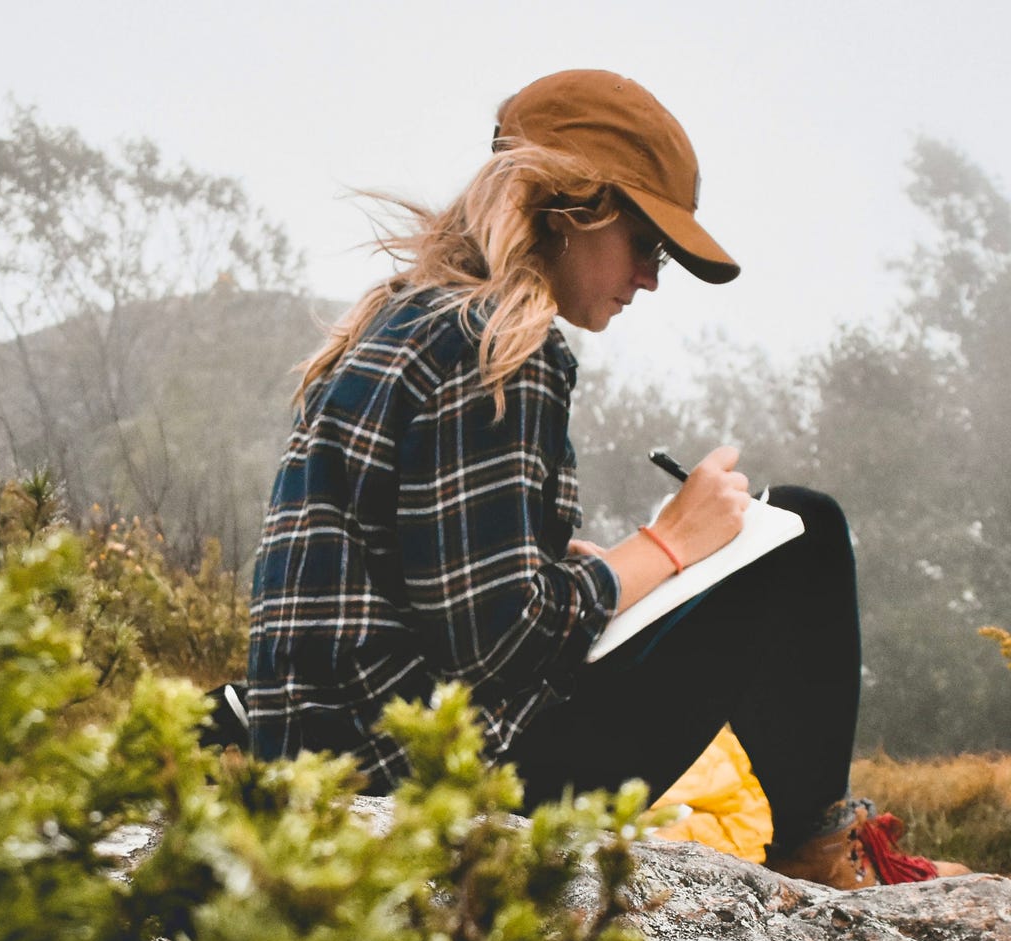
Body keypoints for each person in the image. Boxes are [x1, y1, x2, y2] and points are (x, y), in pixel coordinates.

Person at [245, 69, 968, 890]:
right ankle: (817, 849)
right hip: (432, 780)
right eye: (646, 244)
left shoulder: (402, 322)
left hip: (343, 761)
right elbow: (500, 641)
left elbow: (438, 604)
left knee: (737, 552)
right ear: (568, 208)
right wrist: (669, 544)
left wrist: (591, 572)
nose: (652, 278)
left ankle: (814, 842)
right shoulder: (498, 345)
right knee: (802, 532)